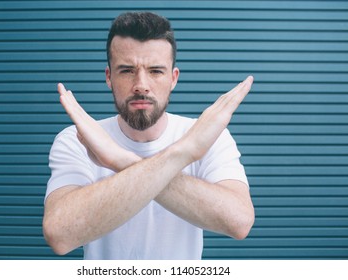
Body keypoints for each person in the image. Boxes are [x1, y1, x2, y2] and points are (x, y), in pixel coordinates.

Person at [43, 11, 255, 260]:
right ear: (109, 77)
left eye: (155, 71)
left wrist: (121, 161)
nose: (141, 84)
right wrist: (184, 152)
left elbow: (239, 221)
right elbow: (60, 234)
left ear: (173, 78)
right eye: (126, 71)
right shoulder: (78, 138)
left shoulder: (209, 136)